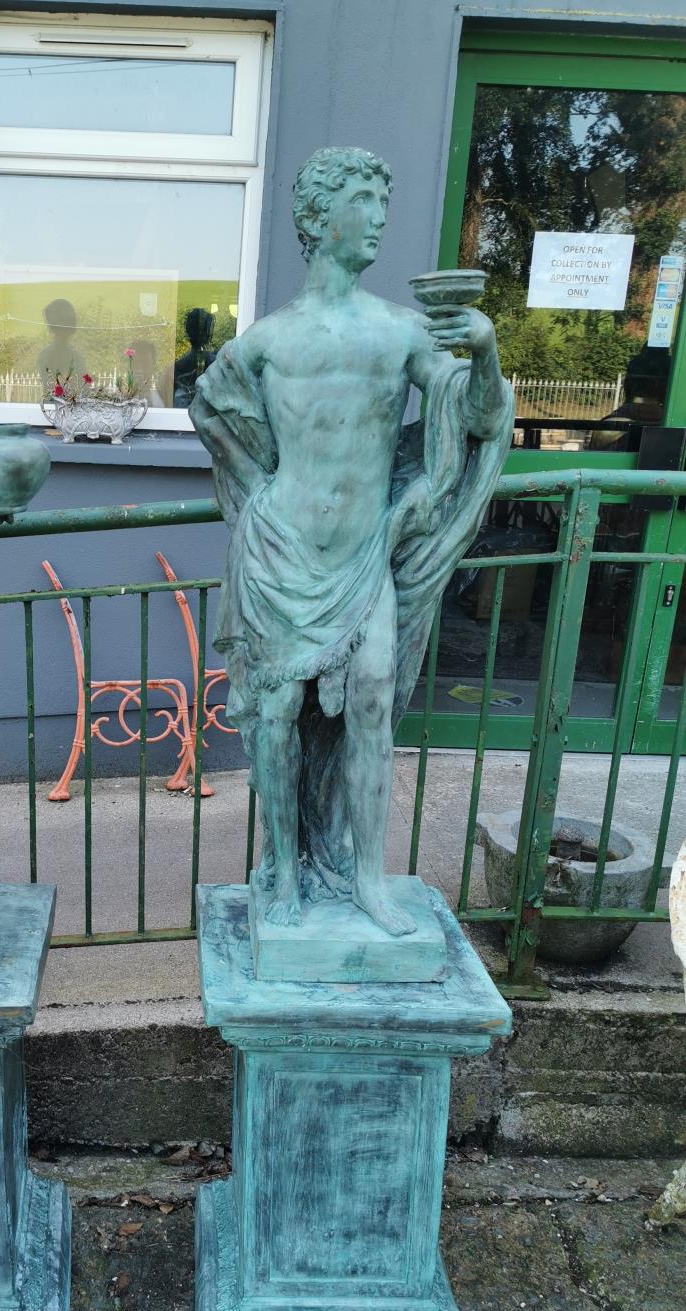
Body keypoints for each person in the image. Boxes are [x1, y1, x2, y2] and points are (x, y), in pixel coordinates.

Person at [191, 147, 512, 935]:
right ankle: (286, 877)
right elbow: (208, 408)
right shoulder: (265, 342)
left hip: (363, 558)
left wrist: (486, 351)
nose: (376, 216)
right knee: (275, 716)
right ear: (314, 218)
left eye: (380, 199)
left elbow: (472, 418)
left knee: (371, 703)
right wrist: (257, 488)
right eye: (361, 200)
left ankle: (366, 878)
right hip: (277, 555)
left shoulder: (400, 333)